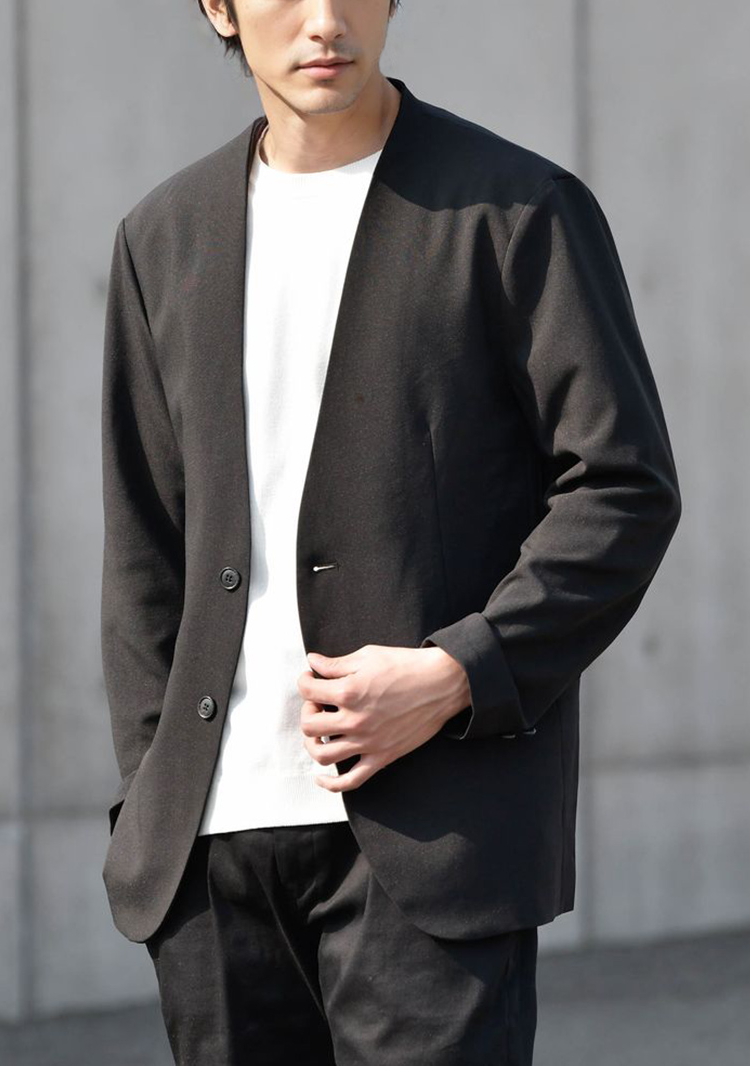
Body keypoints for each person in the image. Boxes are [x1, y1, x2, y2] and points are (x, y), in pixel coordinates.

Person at [99, 1, 682, 1063]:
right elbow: (145, 545)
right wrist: (152, 801)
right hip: (213, 857)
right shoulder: (162, 237)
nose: (325, 20)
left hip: (434, 842)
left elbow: (622, 488)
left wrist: (461, 672)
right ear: (217, 7)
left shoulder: (517, 209)